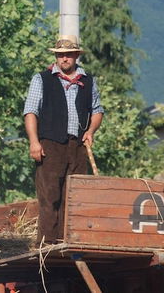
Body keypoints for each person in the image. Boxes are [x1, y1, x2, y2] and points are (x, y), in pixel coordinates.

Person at [23, 35, 104, 246]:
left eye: (68, 55)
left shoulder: (88, 81)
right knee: (50, 196)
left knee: (74, 196)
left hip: (77, 146)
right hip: (50, 144)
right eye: (60, 55)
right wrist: (34, 141)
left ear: (77, 55)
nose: (64, 59)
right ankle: (48, 245)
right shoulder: (42, 79)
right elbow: (31, 111)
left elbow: (97, 111)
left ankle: (70, 241)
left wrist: (91, 131)